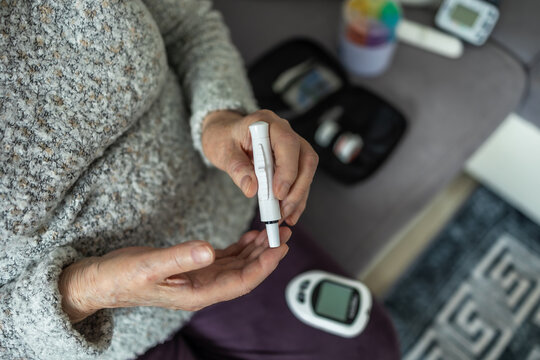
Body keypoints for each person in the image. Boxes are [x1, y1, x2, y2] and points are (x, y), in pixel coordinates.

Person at [0, 0, 399, 359]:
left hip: (225, 221)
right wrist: (82, 292)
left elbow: (189, 26)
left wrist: (219, 119)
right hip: (82, 339)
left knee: (372, 349)